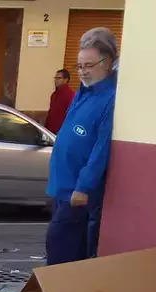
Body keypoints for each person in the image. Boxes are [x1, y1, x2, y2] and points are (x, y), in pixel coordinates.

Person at [44, 27, 118, 265]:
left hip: (76, 192)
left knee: (59, 247)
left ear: (106, 63)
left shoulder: (109, 99)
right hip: (61, 186)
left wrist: (84, 186)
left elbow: (101, 147)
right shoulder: (82, 93)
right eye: (79, 66)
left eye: (88, 65)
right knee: (63, 249)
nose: (82, 72)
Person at [45, 69, 74, 134]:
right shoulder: (54, 94)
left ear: (66, 80)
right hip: (50, 131)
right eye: (55, 78)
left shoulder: (70, 95)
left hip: (62, 132)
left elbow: (71, 116)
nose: (56, 80)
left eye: (59, 78)